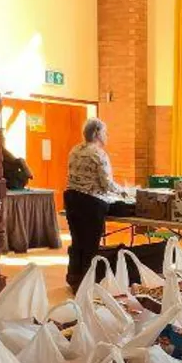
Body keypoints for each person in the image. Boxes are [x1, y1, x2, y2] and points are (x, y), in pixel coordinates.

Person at [64, 117, 130, 290]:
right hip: (90, 203)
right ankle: (87, 284)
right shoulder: (98, 154)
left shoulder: (75, 150)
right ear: (97, 133)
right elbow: (106, 184)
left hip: (71, 199)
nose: (106, 136)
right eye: (105, 132)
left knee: (77, 241)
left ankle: (73, 278)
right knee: (90, 245)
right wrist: (124, 191)